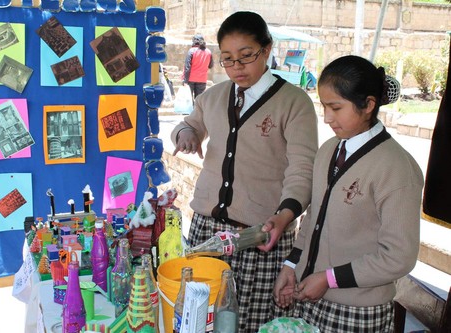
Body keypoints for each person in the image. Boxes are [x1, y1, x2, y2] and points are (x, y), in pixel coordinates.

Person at [171, 11, 318, 332]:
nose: (237, 67)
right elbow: (189, 123)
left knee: (247, 323)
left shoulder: (294, 103)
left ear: (266, 50)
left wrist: (285, 215)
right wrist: (186, 134)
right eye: (227, 59)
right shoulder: (214, 96)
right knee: (198, 318)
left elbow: (303, 169)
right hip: (206, 231)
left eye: (246, 56)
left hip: (259, 234)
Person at [273, 55, 424, 332]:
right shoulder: (329, 150)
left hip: (358, 310)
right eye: (324, 106)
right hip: (312, 297)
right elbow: (313, 217)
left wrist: (329, 278)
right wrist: (291, 265)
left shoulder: (396, 168)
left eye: (336, 107)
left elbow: (399, 256)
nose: (327, 117)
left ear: (368, 104)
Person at [182, 33, 214, 100]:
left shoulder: (191, 51)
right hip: (202, 79)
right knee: (199, 101)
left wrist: (185, 81)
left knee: (189, 100)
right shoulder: (208, 52)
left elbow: (187, 67)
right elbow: (211, 65)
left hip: (190, 79)